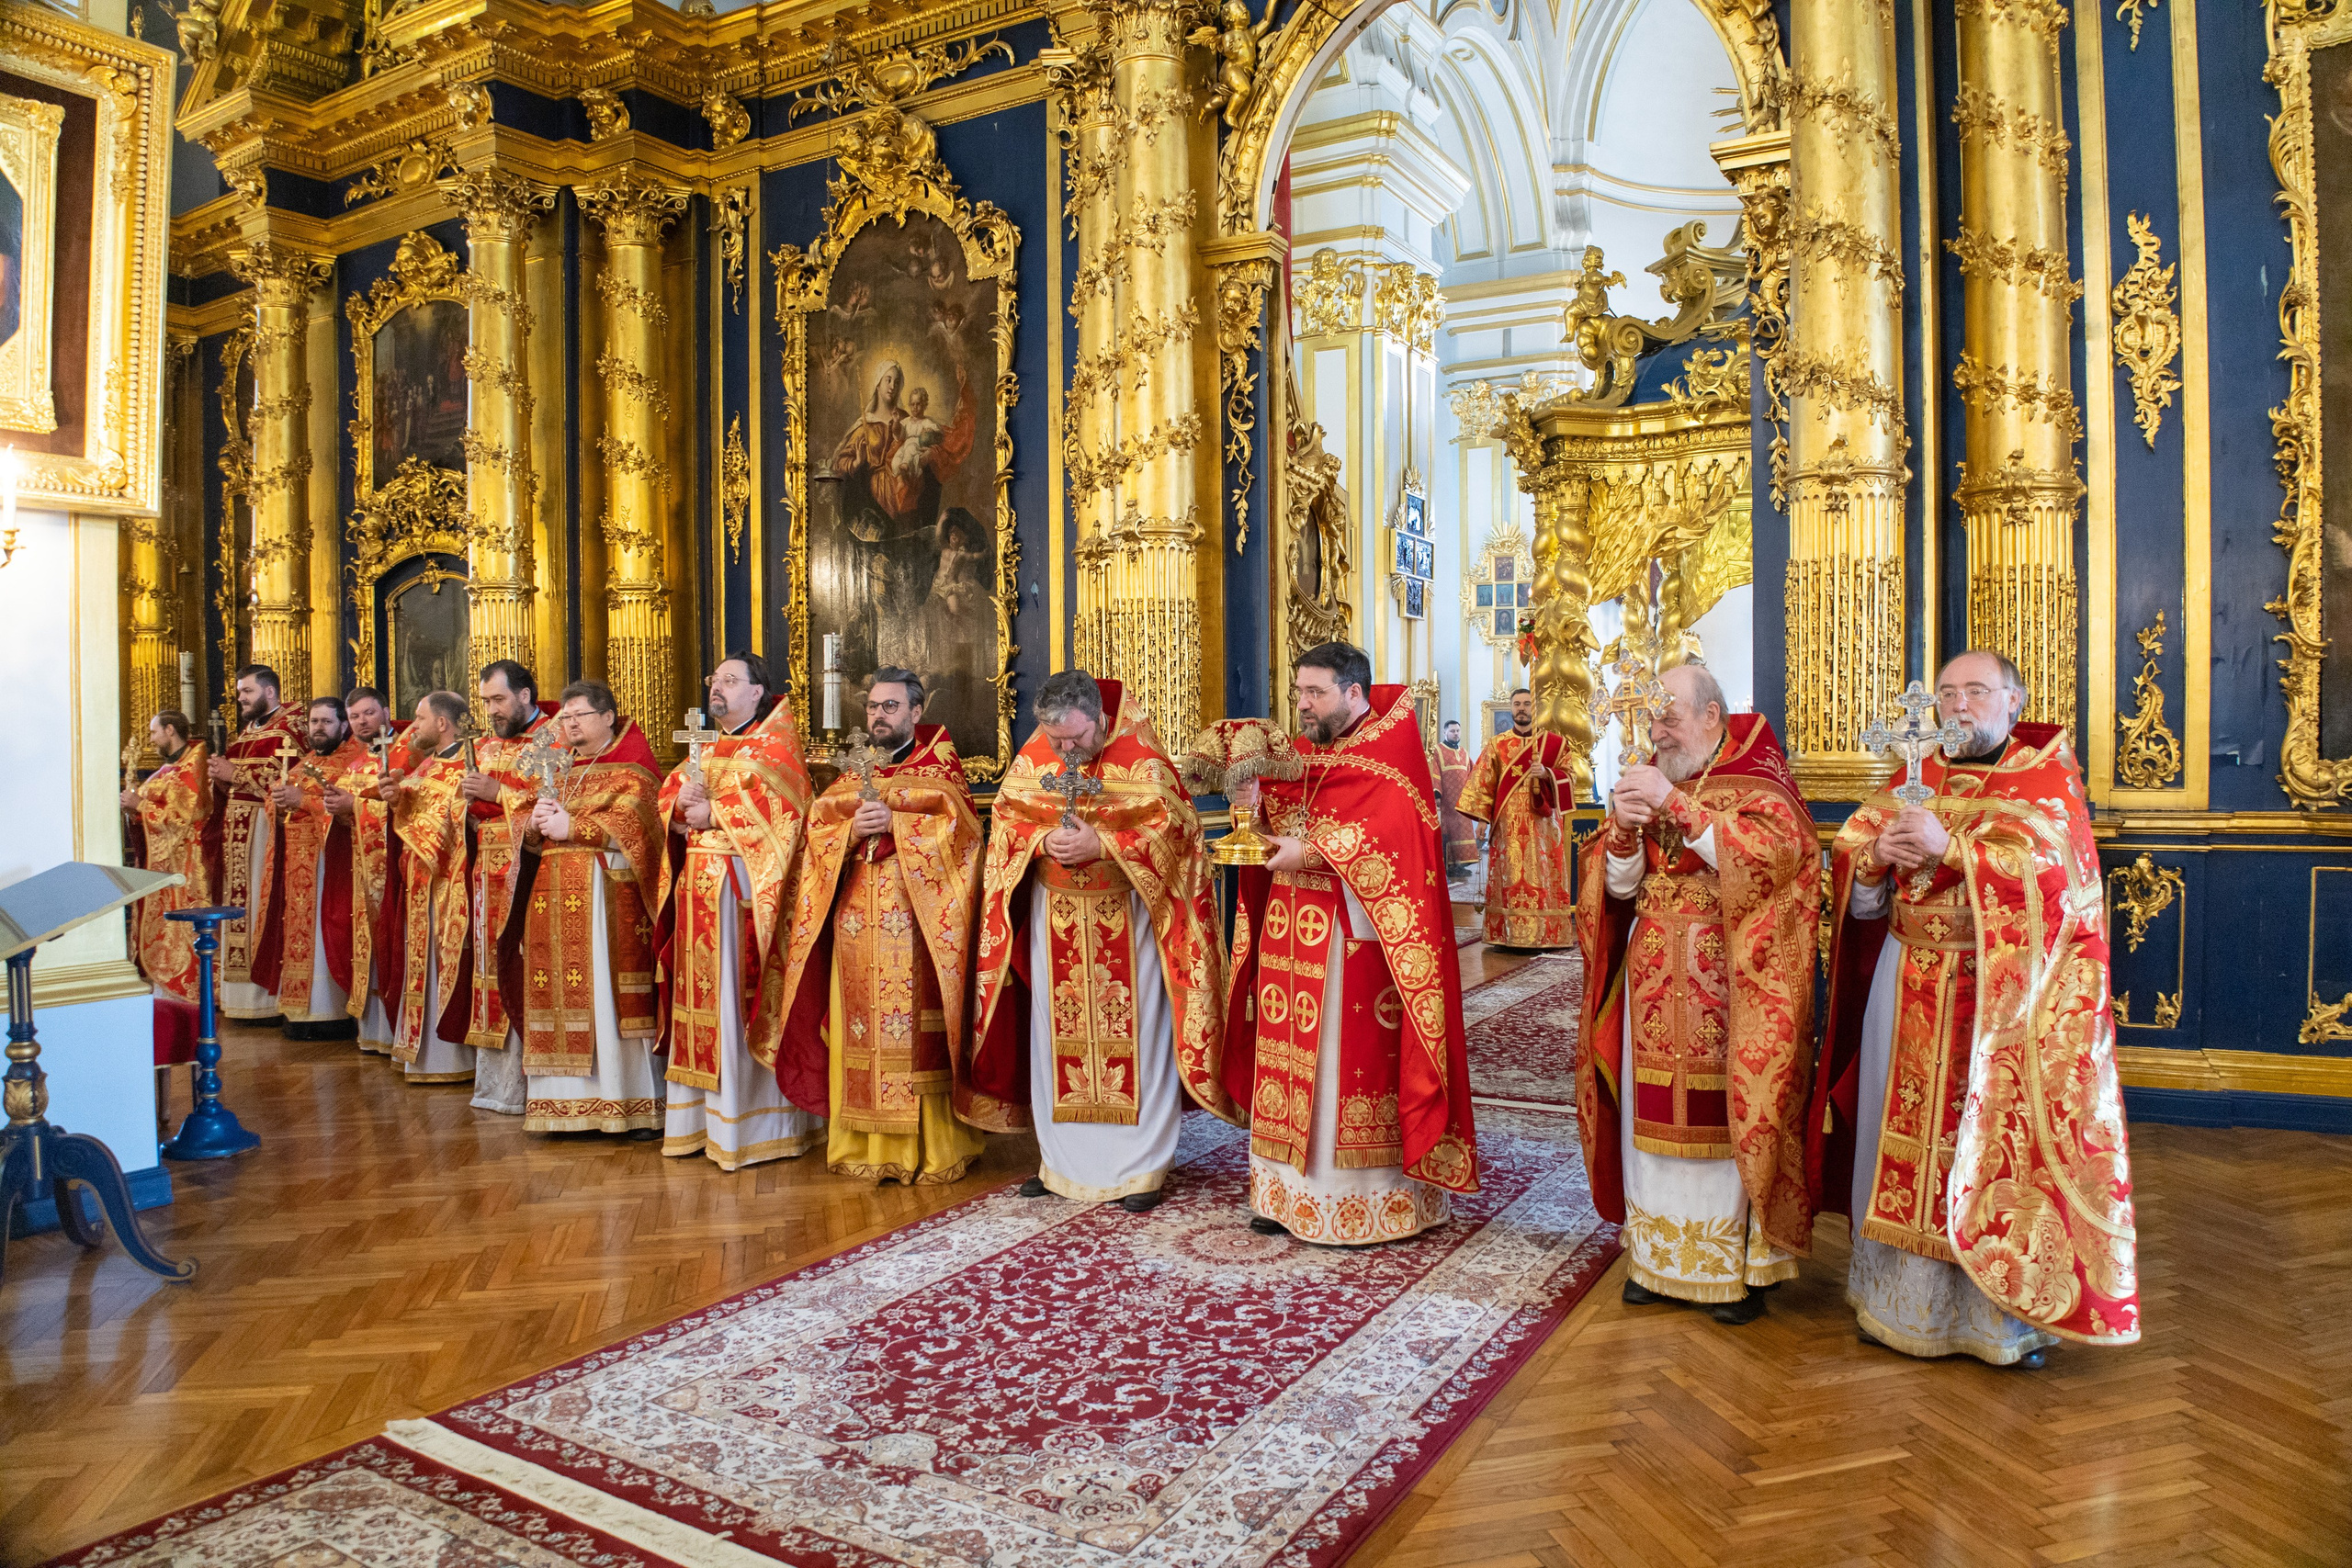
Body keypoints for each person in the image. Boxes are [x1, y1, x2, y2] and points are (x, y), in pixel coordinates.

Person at [1809, 650, 2139, 1367]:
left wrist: (1953, 847)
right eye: (1949, 692)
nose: (1959, 705)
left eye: (1977, 691)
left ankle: (1997, 1322)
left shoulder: (2045, 776)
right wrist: (1872, 860)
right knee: (1897, 1137)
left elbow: (2061, 879)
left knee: (1987, 1144)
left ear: (2014, 702)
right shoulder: (1916, 774)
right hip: (1907, 979)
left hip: (2000, 1001)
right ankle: (1898, 1304)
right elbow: (1857, 857)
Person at [1575, 663, 1819, 1323]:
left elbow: (1775, 859)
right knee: (1648, 1122)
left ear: (1712, 716)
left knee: (1725, 1122)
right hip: (1654, 983)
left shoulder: (1758, 776)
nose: (1657, 730)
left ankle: (1737, 1269)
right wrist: (1622, 831)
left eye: (1670, 715)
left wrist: (1674, 803)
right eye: (1652, 717)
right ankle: (1655, 1260)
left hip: (1733, 986)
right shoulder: (1655, 773)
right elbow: (1619, 891)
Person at [1222, 642, 1478, 1243]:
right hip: (1289, 937)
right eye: (1298, 691)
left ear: (1354, 693)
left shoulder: (1392, 755)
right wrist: (1252, 813)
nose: (1302, 704)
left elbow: (1393, 838)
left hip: (1352, 946)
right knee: (1283, 1060)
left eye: (1315, 692)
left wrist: (1310, 852)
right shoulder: (1306, 751)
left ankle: (1354, 1203)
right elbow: (1280, 821)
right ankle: (1281, 1192)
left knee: (1340, 1067)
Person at [968, 670, 1237, 1207]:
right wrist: (1044, 839)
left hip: (1128, 916)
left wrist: (1107, 843)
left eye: (1076, 738)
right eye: (1056, 740)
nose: (1066, 751)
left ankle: (1141, 1168)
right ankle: (1060, 1164)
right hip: (1056, 917)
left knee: (1136, 1033)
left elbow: (1177, 832)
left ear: (1100, 718)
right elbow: (1007, 819)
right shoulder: (1035, 757)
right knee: (1054, 1033)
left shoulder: (1142, 758)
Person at [776, 668, 988, 1184]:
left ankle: (932, 1147)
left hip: (917, 925)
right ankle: (862, 1146)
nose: (878, 715)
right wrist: (850, 830)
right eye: (872, 706)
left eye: (890, 706)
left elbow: (963, 837)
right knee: (859, 1025)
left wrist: (900, 825)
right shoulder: (853, 773)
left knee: (915, 1033)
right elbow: (816, 835)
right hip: (854, 923)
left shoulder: (939, 768)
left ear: (916, 712)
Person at [656, 653, 821, 1170]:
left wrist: (718, 814)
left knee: (735, 1001)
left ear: (757, 691)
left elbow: (789, 820)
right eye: (714, 680)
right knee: (703, 1004)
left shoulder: (776, 746)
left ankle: (753, 1126)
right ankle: (700, 1124)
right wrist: (680, 807)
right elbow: (669, 800)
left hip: (742, 897)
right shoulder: (703, 743)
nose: (717, 688)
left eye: (730, 681)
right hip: (697, 894)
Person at [500, 680, 664, 1137]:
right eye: (565, 717)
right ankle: (562, 1107)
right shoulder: (558, 767)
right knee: (557, 994)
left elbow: (639, 826)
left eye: (580, 716)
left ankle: (627, 1104)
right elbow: (527, 822)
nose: (569, 725)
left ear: (608, 716)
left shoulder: (634, 769)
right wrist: (531, 825)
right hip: (551, 900)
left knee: (606, 1001)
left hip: (606, 902)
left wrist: (577, 827)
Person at [458, 660, 560, 1114]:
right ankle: (497, 1088)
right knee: (489, 972)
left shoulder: (554, 738)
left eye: (498, 700)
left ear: (524, 695)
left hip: (530, 875)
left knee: (522, 968)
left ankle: (532, 1086)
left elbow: (556, 799)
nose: (492, 710)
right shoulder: (485, 744)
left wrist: (497, 793)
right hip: (487, 875)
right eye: (485, 702)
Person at [375, 691, 478, 1084]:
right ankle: (422, 1053)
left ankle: (451, 1059)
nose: (411, 726)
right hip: (419, 884)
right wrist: (397, 800)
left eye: (418, 718)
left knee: (449, 963)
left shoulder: (470, 761)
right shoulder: (424, 768)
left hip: (451, 882)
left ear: (442, 723)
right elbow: (414, 818)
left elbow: (452, 821)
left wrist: (406, 805)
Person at [252, 696, 368, 1040]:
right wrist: (279, 801)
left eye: (326, 722)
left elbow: (351, 809)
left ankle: (331, 1010)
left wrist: (303, 802)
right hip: (297, 866)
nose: (318, 728)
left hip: (330, 865)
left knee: (326, 932)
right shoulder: (302, 763)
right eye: (314, 722)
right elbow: (279, 804)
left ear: (343, 726)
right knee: (299, 931)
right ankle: (299, 1013)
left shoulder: (354, 761)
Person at [206, 663, 308, 1021]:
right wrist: (220, 779)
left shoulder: (291, 728)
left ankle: (265, 999)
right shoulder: (246, 733)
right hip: (236, 836)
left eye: (246, 692)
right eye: (239, 693)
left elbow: (290, 779)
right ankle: (237, 998)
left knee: (260, 906)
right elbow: (232, 782)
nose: (241, 699)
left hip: (266, 834)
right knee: (238, 907)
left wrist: (234, 774)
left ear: (268, 691)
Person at [1455, 686, 1574, 949]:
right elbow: (1483, 786)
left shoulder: (1555, 743)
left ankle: (1546, 933)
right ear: (1511, 708)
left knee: (1542, 875)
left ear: (1535, 708)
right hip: (1507, 826)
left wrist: (1546, 773)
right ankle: (1506, 935)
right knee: (1507, 876)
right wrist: (1482, 823)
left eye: (1526, 704)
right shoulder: (1497, 745)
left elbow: (1571, 777)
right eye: (1517, 704)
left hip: (1544, 825)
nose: (1521, 708)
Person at [121, 711, 212, 1004]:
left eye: (154, 733)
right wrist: (135, 810)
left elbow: (183, 818)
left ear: (170, 730)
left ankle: (188, 989)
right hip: (161, 864)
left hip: (186, 864)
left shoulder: (192, 767)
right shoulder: (167, 771)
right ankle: (164, 990)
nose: (151, 740)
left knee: (181, 928)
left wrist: (141, 805)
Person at [328, 686, 400, 1055]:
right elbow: (347, 817)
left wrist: (353, 805)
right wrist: (340, 809)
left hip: (395, 871)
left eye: (368, 713)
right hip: (362, 872)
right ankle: (374, 1033)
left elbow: (407, 806)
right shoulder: (356, 765)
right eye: (354, 716)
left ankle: (395, 1032)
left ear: (386, 712)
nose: (361, 722)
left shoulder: (406, 753)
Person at [1435, 717, 1477, 873]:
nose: (1455, 734)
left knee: (1463, 829)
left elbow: (1474, 773)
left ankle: (1461, 864)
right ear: (1445, 732)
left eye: (1458, 731)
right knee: (1450, 829)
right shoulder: (1438, 750)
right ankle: (1451, 865)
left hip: (1463, 800)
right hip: (1447, 801)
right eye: (1452, 731)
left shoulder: (1464, 752)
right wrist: (1437, 794)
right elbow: (1435, 773)